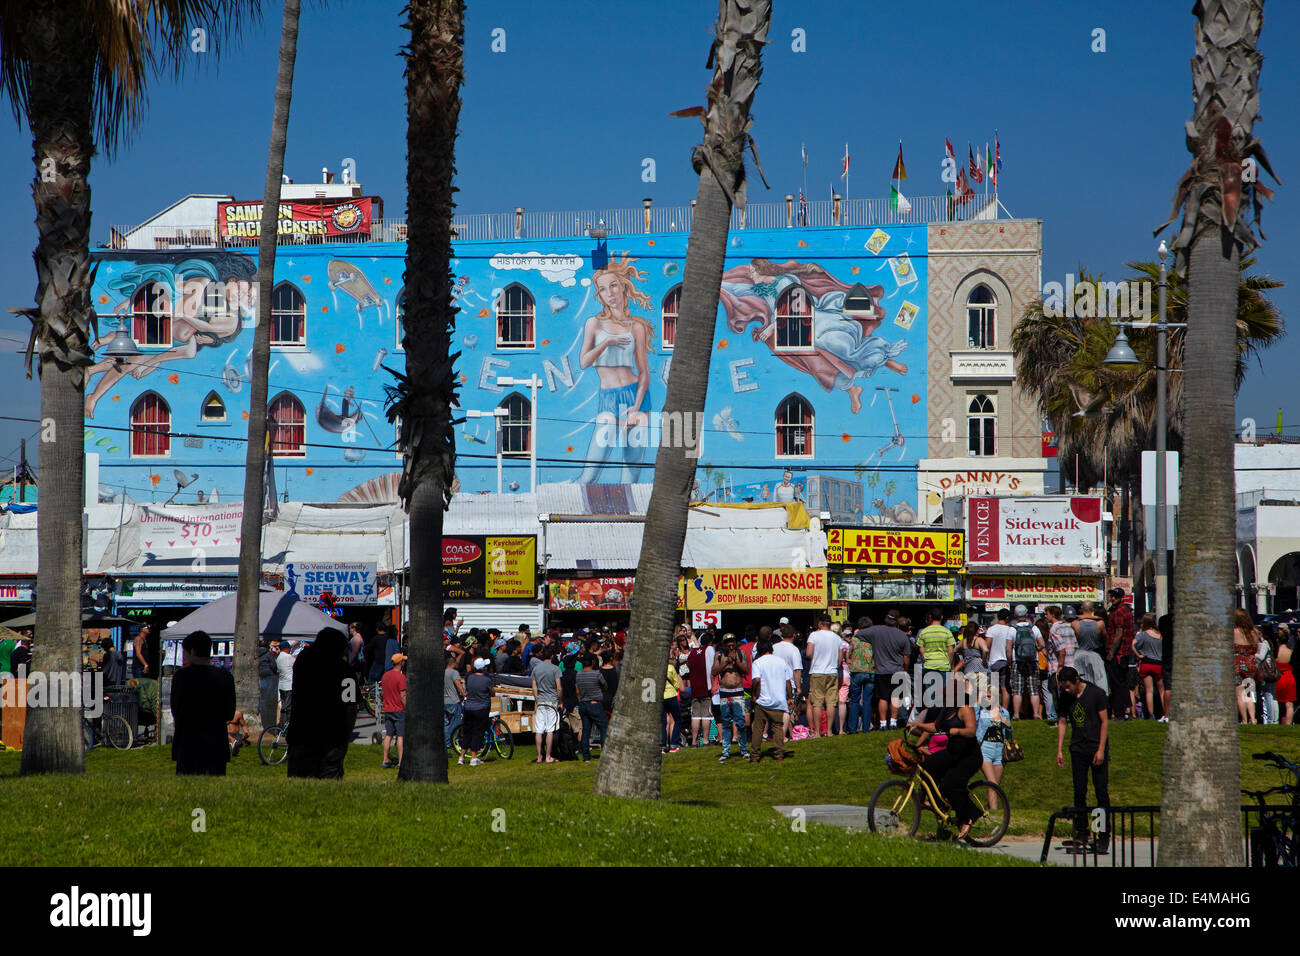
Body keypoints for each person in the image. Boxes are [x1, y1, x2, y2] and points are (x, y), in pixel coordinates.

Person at [575, 255, 656, 483]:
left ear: (624, 287)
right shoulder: (594, 323)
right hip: (609, 399)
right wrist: (606, 343)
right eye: (602, 289)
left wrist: (637, 407)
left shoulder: (636, 327)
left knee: (630, 477)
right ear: (598, 295)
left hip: (637, 399)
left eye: (613, 286)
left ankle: (628, 517)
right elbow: (583, 362)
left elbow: (644, 373)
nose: (609, 293)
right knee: (588, 476)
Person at [286, 629, 358, 779]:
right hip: (332, 736)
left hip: (301, 733)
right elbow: (351, 707)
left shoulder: (303, 662)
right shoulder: (345, 671)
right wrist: (346, 736)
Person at [908, 701, 983, 842]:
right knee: (927, 765)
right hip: (952, 752)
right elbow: (935, 726)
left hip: (969, 756)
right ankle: (939, 806)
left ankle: (968, 816)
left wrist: (958, 731)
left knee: (951, 785)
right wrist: (917, 724)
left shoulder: (965, 709)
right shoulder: (946, 710)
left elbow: (972, 730)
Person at [1056, 666, 1111, 854]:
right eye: (1064, 687)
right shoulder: (1065, 697)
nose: (1066, 690)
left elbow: (1104, 721)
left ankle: (1102, 835)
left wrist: (1101, 749)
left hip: (1096, 746)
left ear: (1077, 680)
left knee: (1100, 791)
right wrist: (1060, 750)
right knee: (1079, 790)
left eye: (1068, 686)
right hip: (1078, 748)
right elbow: (1062, 722)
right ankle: (1082, 831)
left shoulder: (1096, 694)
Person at [170, 631, 236, 776]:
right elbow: (229, 713)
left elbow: (176, 709)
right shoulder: (225, 677)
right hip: (216, 743)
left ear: (192, 651)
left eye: (185, 653)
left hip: (188, 743)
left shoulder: (181, 677)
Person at [749, 640, 793, 764]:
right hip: (778, 700)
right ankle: (779, 755)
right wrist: (790, 697)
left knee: (758, 729)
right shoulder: (781, 662)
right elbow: (788, 682)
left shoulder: (757, 662)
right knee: (778, 728)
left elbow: (757, 680)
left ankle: (755, 757)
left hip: (763, 701)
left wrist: (754, 694)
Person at [867, 610, 911, 729]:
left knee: (883, 697)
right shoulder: (902, 635)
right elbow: (906, 657)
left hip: (881, 670)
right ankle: (893, 722)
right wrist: (905, 669)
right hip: (897, 670)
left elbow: (861, 634)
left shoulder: (877, 631)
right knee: (895, 696)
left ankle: (882, 723)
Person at [712, 635, 750, 761]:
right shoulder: (719, 654)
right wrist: (726, 662)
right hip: (724, 692)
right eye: (728, 643)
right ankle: (726, 751)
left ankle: (744, 750)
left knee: (740, 722)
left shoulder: (741, 653)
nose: (730, 645)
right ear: (724, 644)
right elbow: (714, 671)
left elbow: (746, 670)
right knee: (726, 722)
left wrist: (736, 661)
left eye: (732, 642)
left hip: (738, 691)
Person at [975, 681, 1011, 811]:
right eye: (987, 696)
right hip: (985, 749)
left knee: (996, 786)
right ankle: (994, 812)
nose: (988, 699)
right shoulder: (981, 711)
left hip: (999, 749)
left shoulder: (1004, 712)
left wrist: (1007, 724)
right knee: (992, 783)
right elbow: (974, 722)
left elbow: (1009, 734)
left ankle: (991, 811)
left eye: (991, 696)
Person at [805, 614, 840, 739]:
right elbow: (840, 659)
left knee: (817, 703)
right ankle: (829, 731)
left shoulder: (814, 635)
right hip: (832, 671)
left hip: (817, 671)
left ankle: (817, 732)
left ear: (820, 623)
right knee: (831, 702)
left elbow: (809, 653)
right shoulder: (837, 638)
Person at [916, 607, 958, 707]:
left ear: (930, 617)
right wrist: (950, 665)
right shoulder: (946, 632)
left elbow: (921, 650)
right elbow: (951, 651)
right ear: (941, 617)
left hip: (929, 666)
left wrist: (925, 661)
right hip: (944, 666)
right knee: (943, 694)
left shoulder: (924, 632)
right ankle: (939, 719)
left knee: (930, 696)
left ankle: (931, 717)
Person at [1105, 588, 1136, 720]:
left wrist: (1111, 651)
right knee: (1122, 684)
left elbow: (1119, 633)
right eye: (1112, 596)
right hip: (1124, 653)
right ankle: (1127, 710)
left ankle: (1119, 713)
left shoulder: (1118, 612)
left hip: (1118, 654)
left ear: (1121, 598)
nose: (1112, 599)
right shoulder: (1126, 610)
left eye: (1115, 597)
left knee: (1117, 684)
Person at [1009, 604, 1043, 721]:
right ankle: (1036, 714)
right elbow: (1042, 644)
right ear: (1026, 613)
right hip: (1033, 661)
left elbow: (1008, 648)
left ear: (1015, 614)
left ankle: (1016, 715)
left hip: (1017, 661)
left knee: (1017, 689)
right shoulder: (1034, 628)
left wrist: (1010, 661)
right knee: (1034, 689)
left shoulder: (1012, 629)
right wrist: (1035, 650)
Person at [531, 644, 563, 763]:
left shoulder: (536, 669)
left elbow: (534, 687)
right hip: (552, 701)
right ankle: (548, 756)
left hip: (541, 701)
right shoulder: (555, 669)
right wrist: (560, 701)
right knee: (550, 729)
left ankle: (539, 756)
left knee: (539, 730)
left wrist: (537, 699)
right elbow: (559, 687)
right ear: (552, 655)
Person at [460, 657, 494, 766]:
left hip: (469, 707)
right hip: (481, 708)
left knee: (467, 731)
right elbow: (492, 692)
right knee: (477, 731)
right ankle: (474, 757)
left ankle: (461, 756)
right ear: (483, 668)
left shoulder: (469, 678)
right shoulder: (486, 680)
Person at [1133, 613, 1166, 722]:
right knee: (1162, 690)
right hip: (1158, 663)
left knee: (1149, 691)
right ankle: (1165, 713)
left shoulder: (1143, 635)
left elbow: (1133, 644)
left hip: (1146, 663)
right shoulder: (1161, 635)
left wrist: (1138, 655)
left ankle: (1151, 714)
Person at [575, 653, 607, 761]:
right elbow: (605, 686)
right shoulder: (597, 674)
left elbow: (578, 691)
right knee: (603, 728)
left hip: (583, 704)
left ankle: (586, 756)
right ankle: (605, 753)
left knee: (586, 730)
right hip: (595, 703)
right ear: (592, 663)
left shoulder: (578, 675)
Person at [845, 617, 875, 733]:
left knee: (854, 700)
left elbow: (849, 654)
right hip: (870, 670)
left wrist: (850, 661)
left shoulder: (854, 639)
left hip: (856, 671)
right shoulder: (873, 640)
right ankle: (866, 728)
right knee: (867, 700)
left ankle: (852, 728)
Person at [772, 624, 804, 735]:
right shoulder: (794, 650)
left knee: (776, 709)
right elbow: (797, 670)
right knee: (789, 710)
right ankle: (788, 733)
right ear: (793, 635)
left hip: (775, 682)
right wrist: (798, 687)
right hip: (789, 683)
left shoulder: (774, 647)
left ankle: (778, 733)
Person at [1233, 608, 1261, 724]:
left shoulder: (1234, 632)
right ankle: (1253, 718)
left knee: (1240, 694)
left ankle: (1244, 719)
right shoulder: (1254, 631)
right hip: (1251, 663)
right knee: (1249, 693)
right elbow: (1257, 649)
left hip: (1238, 664)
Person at [686, 634, 714, 747]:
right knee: (706, 714)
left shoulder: (693, 652)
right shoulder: (708, 650)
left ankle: (693, 741)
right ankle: (706, 741)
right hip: (706, 687)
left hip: (695, 687)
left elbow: (689, 665)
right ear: (710, 642)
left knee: (695, 715)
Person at [985, 609, 1016, 711]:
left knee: (993, 688)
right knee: (1005, 688)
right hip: (1005, 662)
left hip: (993, 662)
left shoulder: (991, 629)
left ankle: (994, 709)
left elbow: (987, 646)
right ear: (1007, 618)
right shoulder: (1011, 630)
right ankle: (1005, 711)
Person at [380, 653, 407, 768]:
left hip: (388, 708)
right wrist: (407, 708)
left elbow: (383, 693)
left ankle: (385, 760)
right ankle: (401, 761)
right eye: (403, 661)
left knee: (388, 735)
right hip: (399, 709)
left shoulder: (385, 676)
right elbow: (403, 696)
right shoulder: (401, 677)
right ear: (400, 662)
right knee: (400, 736)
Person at [662, 655, 684, 753]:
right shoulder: (670, 668)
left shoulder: (658, 669)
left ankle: (663, 745)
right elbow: (676, 684)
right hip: (671, 695)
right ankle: (674, 744)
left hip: (661, 697)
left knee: (663, 721)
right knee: (677, 719)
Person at [1275, 625, 1295, 725]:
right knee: (1289, 704)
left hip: (1279, 678)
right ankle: (1288, 723)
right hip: (1290, 678)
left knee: (1280, 704)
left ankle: (1280, 722)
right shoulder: (1290, 652)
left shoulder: (1276, 653)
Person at [257, 638, 279, 729]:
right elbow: (274, 666)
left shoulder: (255, 653)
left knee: (261, 697)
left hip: (259, 676)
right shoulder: (269, 654)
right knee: (269, 698)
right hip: (269, 677)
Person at [275, 637, 296, 722]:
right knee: (288, 707)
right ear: (287, 648)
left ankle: (282, 723)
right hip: (289, 686)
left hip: (281, 685)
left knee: (284, 705)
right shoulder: (289, 657)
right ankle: (284, 724)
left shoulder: (278, 658)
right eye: (290, 648)